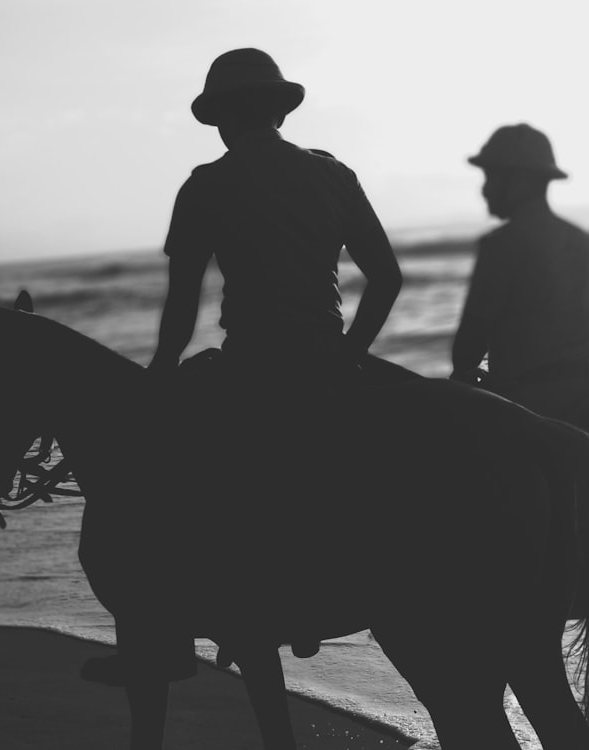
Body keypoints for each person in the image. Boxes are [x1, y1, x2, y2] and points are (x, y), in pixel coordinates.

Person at [148, 48, 402, 660]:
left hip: (253, 362)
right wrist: (348, 355)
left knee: (171, 474)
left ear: (223, 119)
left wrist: (158, 376)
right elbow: (387, 278)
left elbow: (183, 307)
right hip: (329, 356)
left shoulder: (206, 186)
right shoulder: (333, 174)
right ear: (277, 113)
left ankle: (174, 631)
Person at [451, 123, 589, 437]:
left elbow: (466, 352)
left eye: (492, 177)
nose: (485, 189)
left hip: (541, 408)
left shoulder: (501, 246)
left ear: (519, 180)